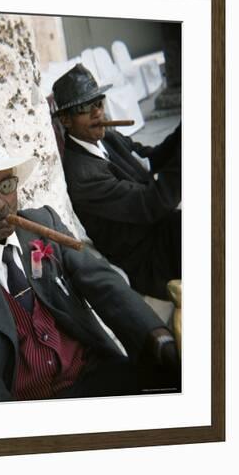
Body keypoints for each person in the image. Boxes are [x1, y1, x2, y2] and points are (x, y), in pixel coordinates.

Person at [0, 130, 179, 405]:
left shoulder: (45, 223)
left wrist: (157, 337)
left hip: (93, 373)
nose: (0, 203)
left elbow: (104, 282)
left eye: (6, 185)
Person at [52, 63, 181, 299]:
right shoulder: (83, 176)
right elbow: (152, 203)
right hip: (148, 259)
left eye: (98, 102)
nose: (97, 113)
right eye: (84, 107)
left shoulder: (108, 137)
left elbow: (151, 159)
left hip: (163, 230)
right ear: (65, 120)